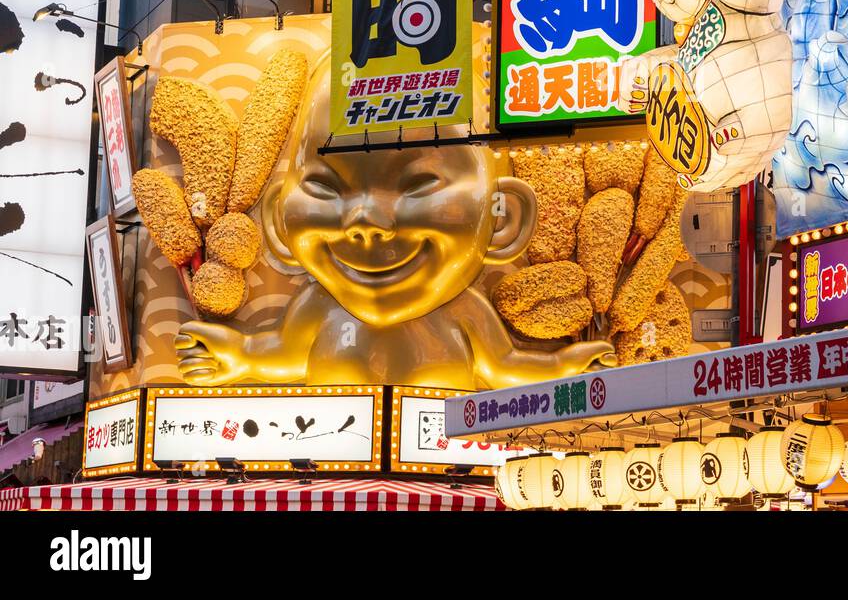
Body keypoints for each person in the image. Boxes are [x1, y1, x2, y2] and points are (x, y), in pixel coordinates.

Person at [174, 60, 613, 387]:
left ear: (503, 218)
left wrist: (562, 370)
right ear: (278, 224)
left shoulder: (463, 312)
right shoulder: (319, 307)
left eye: (419, 184)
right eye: (327, 187)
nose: (366, 221)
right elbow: (284, 352)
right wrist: (241, 355)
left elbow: (504, 366)